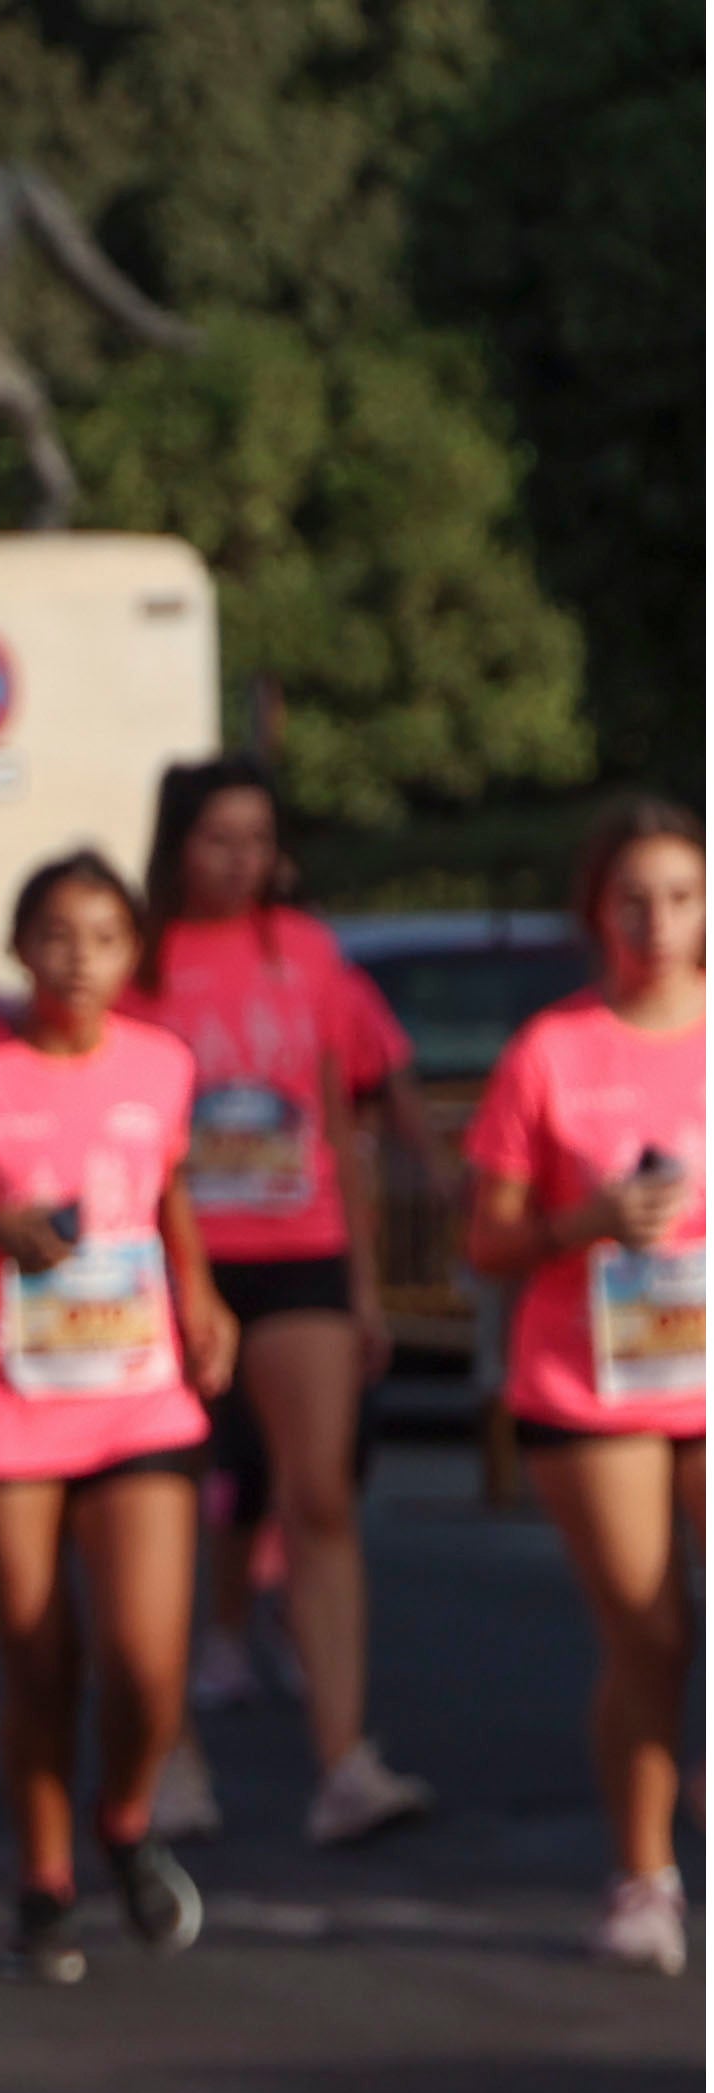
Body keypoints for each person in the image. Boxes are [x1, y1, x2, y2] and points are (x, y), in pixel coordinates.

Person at [0, 853, 235, 1983]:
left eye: (104, 936)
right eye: (56, 935)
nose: (79, 958)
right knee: (40, 1662)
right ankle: (45, 1882)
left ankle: (124, 1819)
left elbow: (164, 1181)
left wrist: (201, 1289)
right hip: (3, 1405)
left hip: (137, 1395)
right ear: (22, 948)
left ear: (134, 954)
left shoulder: (162, 1062)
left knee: (145, 1664)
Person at [138, 758, 432, 1846]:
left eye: (259, 839)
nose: (242, 861)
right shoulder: (143, 959)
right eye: (220, 838)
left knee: (322, 1502)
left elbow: (339, 1120)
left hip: (300, 1248)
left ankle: (343, 1759)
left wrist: (363, 1285)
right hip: (174, 1266)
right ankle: (171, 1753)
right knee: (168, 1508)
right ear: (177, 846)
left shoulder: (306, 953)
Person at [464, 801, 704, 1975]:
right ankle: (644, 1874)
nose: (657, 923)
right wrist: (589, 1220)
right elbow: (489, 1242)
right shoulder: (552, 1051)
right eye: (633, 900)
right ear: (596, 912)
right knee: (651, 1636)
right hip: (591, 1382)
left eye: (680, 897)